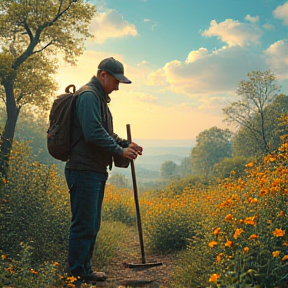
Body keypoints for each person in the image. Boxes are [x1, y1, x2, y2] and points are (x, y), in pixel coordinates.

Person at [65, 57, 143, 282]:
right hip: (83, 170)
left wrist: (124, 145)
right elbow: (92, 133)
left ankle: (83, 270)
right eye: (116, 81)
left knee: (91, 224)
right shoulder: (89, 96)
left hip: (93, 170)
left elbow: (104, 132)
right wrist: (119, 152)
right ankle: (77, 275)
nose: (118, 87)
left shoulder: (98, 98)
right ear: (103, 75)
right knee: (83, 224)